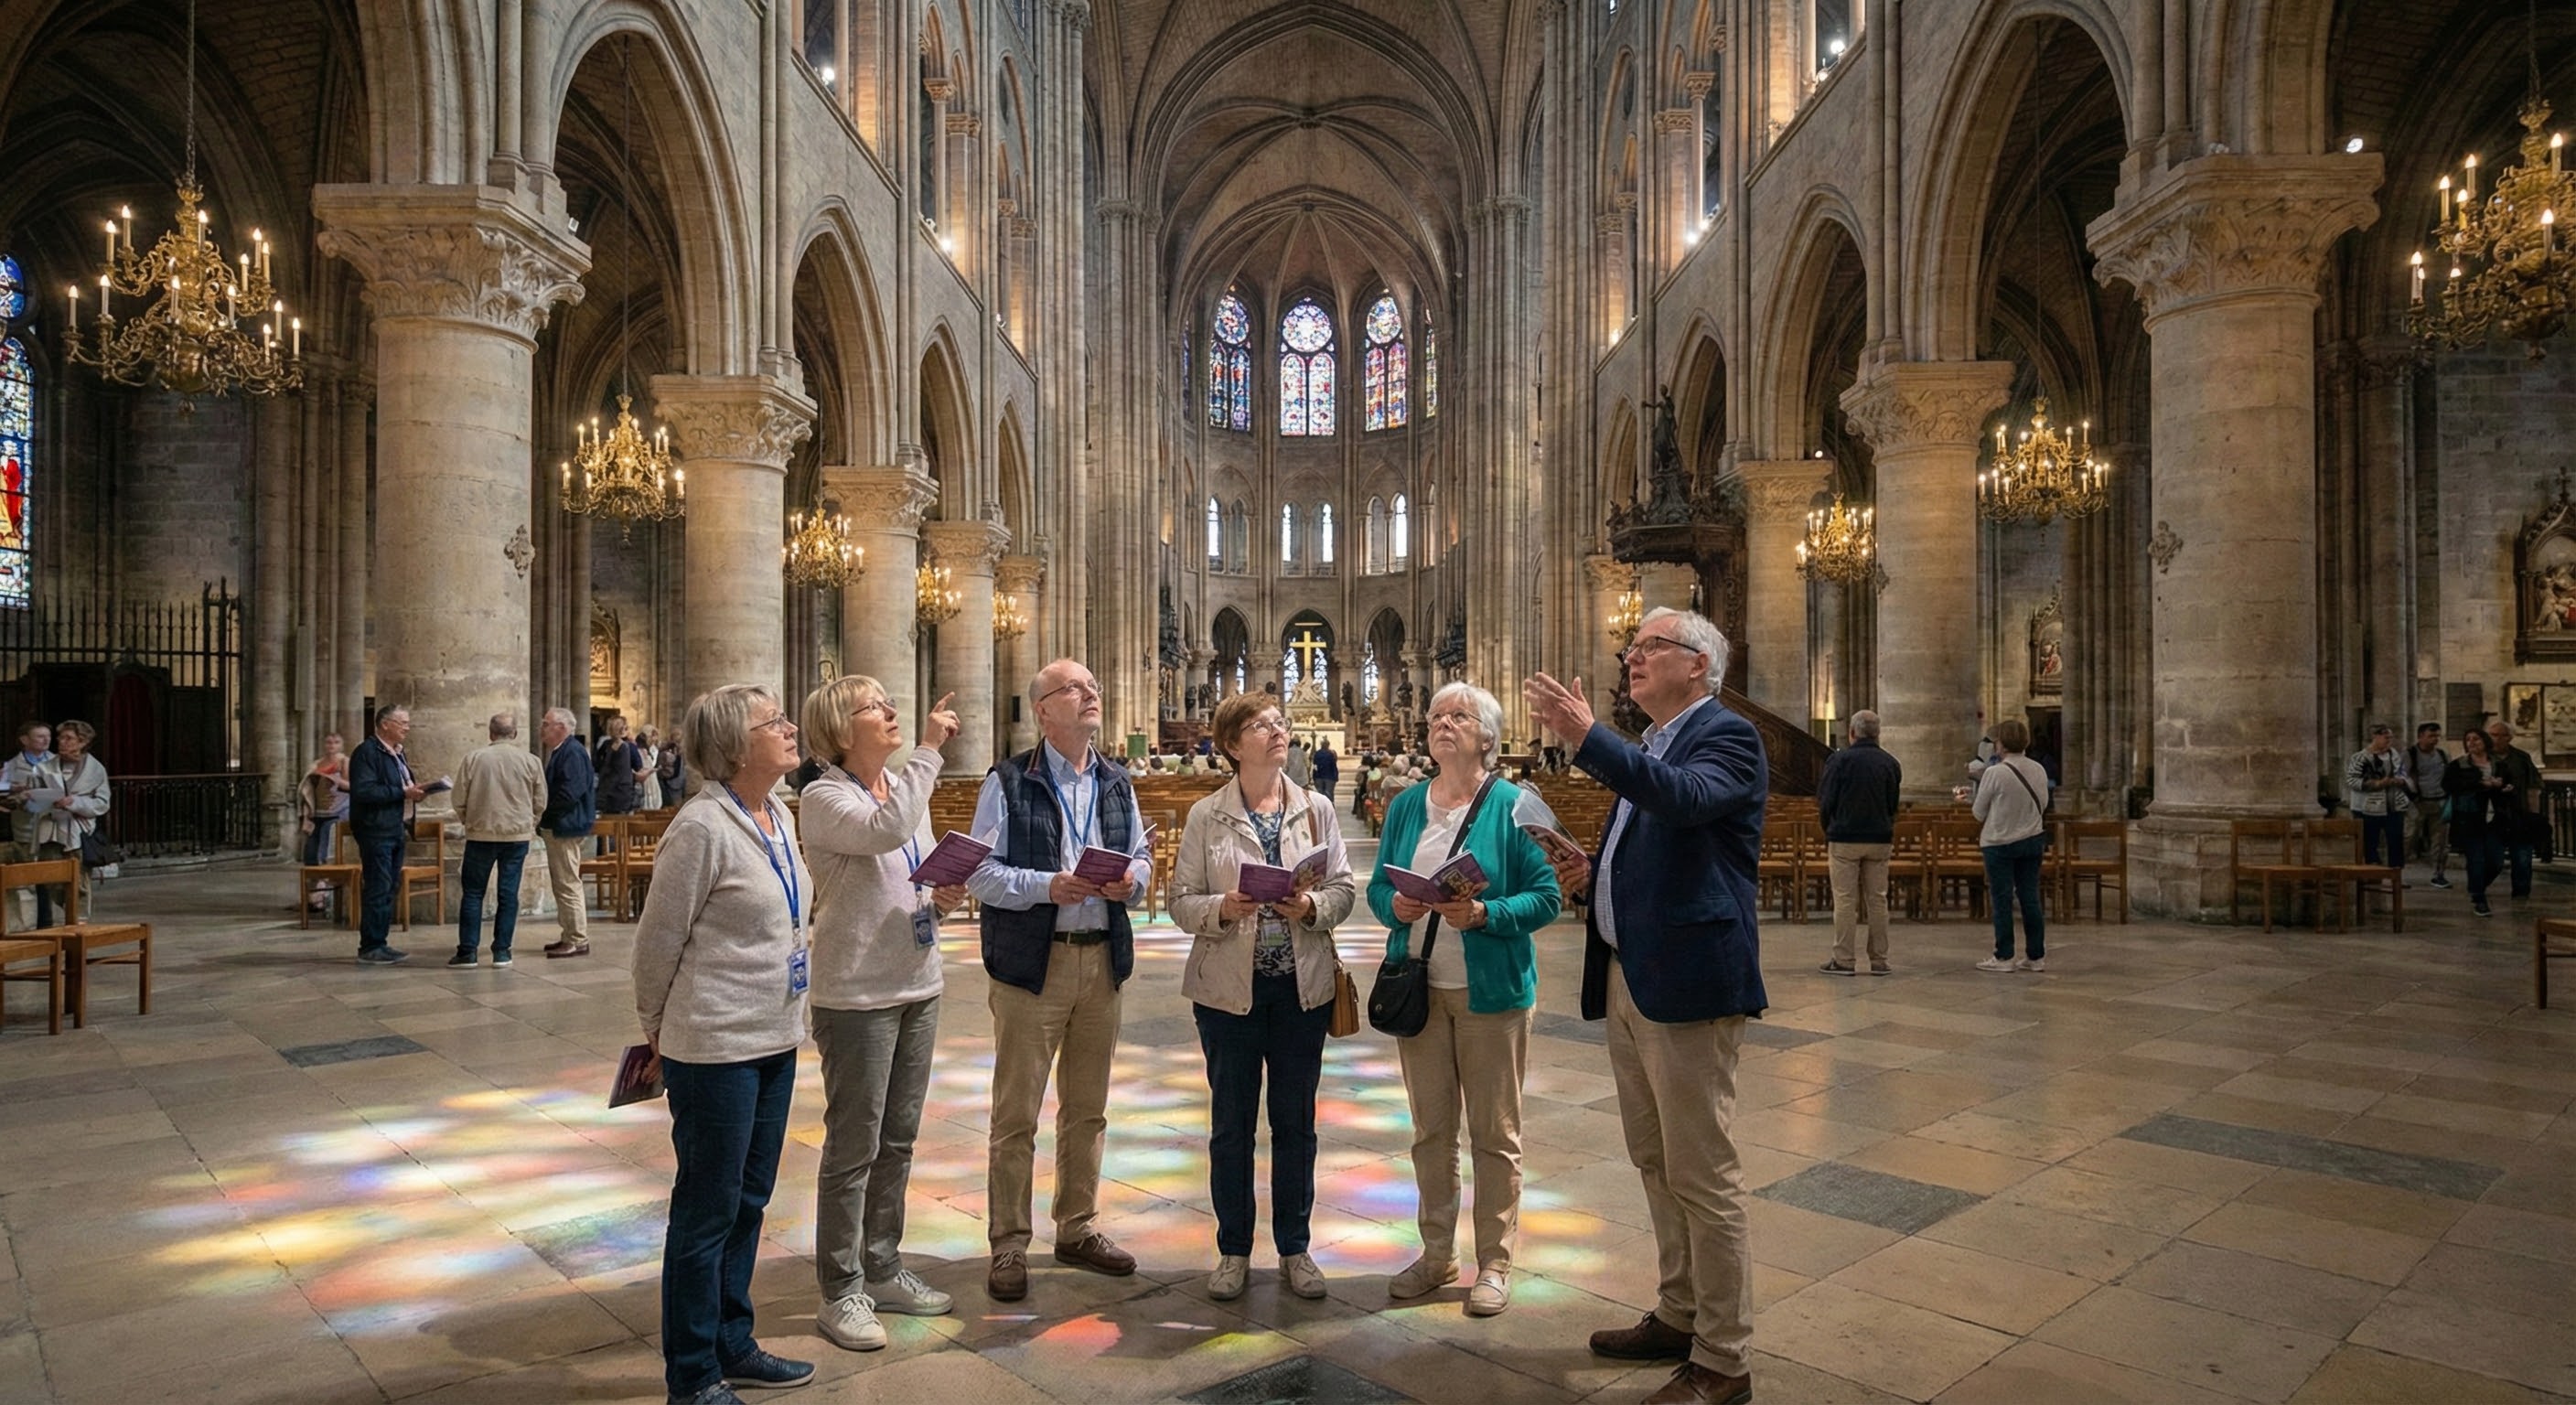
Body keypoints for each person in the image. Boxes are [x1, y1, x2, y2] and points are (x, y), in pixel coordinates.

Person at [1526, 607, 1766, 1405]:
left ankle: (1724, 1360)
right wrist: (1594, 871)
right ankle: (1680, 1310)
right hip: (1636, 976)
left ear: (1698, 665)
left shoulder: (1726, 736)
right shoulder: (1659, 743)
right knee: (1656, 1159)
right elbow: (1665, 841)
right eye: (1634, 646)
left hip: (1690, 983)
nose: (1632, 654)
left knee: (1704, 1172)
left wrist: (1591, 736)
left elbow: (1686, 803)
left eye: (1650, 646)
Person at [631, 685, 817, 1405]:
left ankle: (733, 1342)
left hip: (774, 1035)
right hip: (712, 1045)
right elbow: (658, 941)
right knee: (707, 1207)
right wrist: (656, 1028)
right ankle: (693, 1374)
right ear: (734, 748)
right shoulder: (702, 827)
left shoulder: (780, 814)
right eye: (773, 723)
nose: (790, 727)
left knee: (749, 1199)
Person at [1369, 682, 1562, 1317]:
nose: (1443, 724)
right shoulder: (1404, 806)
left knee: (1494, 1134)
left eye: (1459, 716)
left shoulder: (1517, 805)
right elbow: (1378, 888)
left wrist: (1483, 914)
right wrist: (1392, 906)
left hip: (1492, 994)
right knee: (1431, 1132)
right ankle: (1436, 1253)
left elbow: (1548, 896)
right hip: (1419, 989)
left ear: (1487, 737)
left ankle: (1496, 1262)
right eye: (1436, 716)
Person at [967, 658, 1154, 1302]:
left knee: (1087, 1109)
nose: (1090, 692)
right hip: (1032, 966)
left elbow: (1145, 858)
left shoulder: (1117, 781)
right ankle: (1009, 1244)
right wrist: (1048, 886)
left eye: (1092, 684)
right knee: (1017, 1112)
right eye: (1075, 687)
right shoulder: (1009, 781)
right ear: (1044, 710)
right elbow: (980, 875)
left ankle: (1077, 1226)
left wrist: (1134, 881)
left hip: (1100, 958)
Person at [797, 677, 968, 1350]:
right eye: (875, 707)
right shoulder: (822, 796)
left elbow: (908, 867)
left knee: (897, 1140)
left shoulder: (897, 790)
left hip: (916, 982)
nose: (892, 712)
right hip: (857, 994)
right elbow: (884, 832)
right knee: (853, 1147)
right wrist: (927, 750)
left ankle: (883, 1264)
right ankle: (840, 1290)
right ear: (842, 731)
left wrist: (939, 900)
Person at [1170, 693, 1358, 1303]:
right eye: (1261, 725)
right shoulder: (1206, 815)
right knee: (1231, 1128)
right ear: (1231, 744)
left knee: (1295, 1125)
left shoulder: (1317, 807)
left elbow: (1344, 890)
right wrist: (1221, 908)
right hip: (1228, 991)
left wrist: (1311, 906)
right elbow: (1181, 901)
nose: (1277, 731)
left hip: (1300, 987)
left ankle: (1296, 1249)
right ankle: (1233, 1251)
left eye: (1280, 723)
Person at [449, 713, 546, 969]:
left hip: (480, 833)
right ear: (514, 734)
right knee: (508, 893)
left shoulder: (474, 758)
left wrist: (468, 820)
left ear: (490, 733)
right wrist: (530, 823)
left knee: (472, 893)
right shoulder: (530, 761)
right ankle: (502, 952)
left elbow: (458, 796)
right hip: (516, 836)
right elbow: (540, 800)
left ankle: (467, 952)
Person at [1815, 710, 1900, 977]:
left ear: (1852, 733)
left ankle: (1844, 960)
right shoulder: (1890, 763)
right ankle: (1879, 960)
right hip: (1879, 838)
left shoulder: (1839, 761)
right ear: (1878, 734)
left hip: (1845, 838)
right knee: (1878, 900)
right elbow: (1892, 804)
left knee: (1845, 900)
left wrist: (1828, 828)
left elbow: (1826, 800)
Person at [349, 704, 434, 966]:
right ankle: (371, 946)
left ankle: (380, 942)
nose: (407, 727)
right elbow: (364, 791)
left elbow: (398, 785)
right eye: (402, 722)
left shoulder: (397, 753)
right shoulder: (366, 752)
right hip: (376, 830)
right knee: (378, 886)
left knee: (389, 886)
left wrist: (414, 790)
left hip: (395, 827)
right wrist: (402, 792)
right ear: (385, 724)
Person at [1971, 718, 2049, 973]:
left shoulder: (1995, 772)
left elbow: (1978, 812)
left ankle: (2004, 956)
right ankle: (2036, 956)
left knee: (2002, 899)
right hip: (2032, 839)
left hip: (1999, 843)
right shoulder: (2038, 769)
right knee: (2030, 898)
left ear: (2001, 744)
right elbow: (2045, 803)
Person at [36, 720, 112, 926]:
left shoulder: (95, 769)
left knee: (79, 879)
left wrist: (75, 802)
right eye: (60, 738)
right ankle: (69, 909)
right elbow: (32, 796)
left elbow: (103, 803)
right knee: (49, 874)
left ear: (82, 742)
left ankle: (79, 921)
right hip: (51, 829)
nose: (62, 742)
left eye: (68, 738)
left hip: (77, 831)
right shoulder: (45, 767)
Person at [538, 709, 598, 959]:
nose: (542, 728)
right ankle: (569, 934)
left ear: (561, 727)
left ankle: (577, 939)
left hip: (565, 824)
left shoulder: (572, 752)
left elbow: (570, 792)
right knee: (562, 883)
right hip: (561, 824)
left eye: (546, 724)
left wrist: (544, 811)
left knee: (568, 883)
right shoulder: (564, 750)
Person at [2447, 727, 2512, 917]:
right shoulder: (2459, 765)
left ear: (2485, 741)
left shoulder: (2498, 764)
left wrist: (2505, 787)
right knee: (2476, 859)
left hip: (2494, 817)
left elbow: (2509, 783)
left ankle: (2477, 885)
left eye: (2476, 739)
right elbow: (2449, 785)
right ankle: (2479, 898)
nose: (2472, 743)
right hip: (2470, 816)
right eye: (2468, 740)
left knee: (2496, 861)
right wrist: (2479, 785)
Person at [1, 722, 52, 928]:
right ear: (25, 740)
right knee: (27, 876)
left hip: (49, 827)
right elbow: (2, 789)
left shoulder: (56, 762)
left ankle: (46, 921)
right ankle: (26, 923)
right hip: (25, 827)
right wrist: (13, 788)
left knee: (48, 876)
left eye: (48, 736)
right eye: (40, 736)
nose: (46, 740)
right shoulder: (11, 765)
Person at [2486, 718, 2543, 898]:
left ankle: (2521, 894)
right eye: (2492, 735)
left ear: (2509, 738)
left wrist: (2533, 816)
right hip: (2493, 815)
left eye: (2500, 736)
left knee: (2522, 857)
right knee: (2494, 859)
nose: (2495, 739)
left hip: (2519, 814)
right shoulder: (2483, 758)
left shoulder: (2521, 758)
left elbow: (2533, 787)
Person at [2343, 724, 2411, 871]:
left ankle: (2396, 873)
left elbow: (2402, 772)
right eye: (2386, 737)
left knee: (2395, 841)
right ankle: (2372, 873)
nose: (2389, 741)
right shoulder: (2360, 757)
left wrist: (2400, 780)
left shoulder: (2394, 754)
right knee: (2370, 842)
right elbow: (2352, 780)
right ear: (2375, 737)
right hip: (2367, 807)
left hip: (2393, 805)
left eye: (2391, 738)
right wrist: (2377, 783)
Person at [299, 734, 352, 910]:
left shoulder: (345, 762)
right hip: (318, 814)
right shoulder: (317, 764)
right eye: (328, 742)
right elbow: (306, 788)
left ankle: (325, 898)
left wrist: (335, 780)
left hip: (337, 813)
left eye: (336, 742)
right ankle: (313, 897)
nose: (332, 745)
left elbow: (352, 786)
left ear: (341, 745)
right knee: (311, 854)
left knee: (326, 853)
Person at [2407, 722, 2451, 889]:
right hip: (2417, 803)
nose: (2435, 740)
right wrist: (2412, 796)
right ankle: (2399, 871)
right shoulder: (2410, 754)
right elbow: (2404, 778)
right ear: (2420, 736)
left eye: (2437, 736)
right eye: (2431, 736)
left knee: (2440, 841)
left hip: (2439, 801)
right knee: (2408, 837)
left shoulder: (2442, 754)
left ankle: (2438, 874)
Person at [596, 715, 647, 820]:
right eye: (615, 726)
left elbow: (638, 767)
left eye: (622, 726)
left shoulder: (628, 747)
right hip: (605, 791)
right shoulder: (606, 745)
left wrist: (632, 775)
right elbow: (597, 764)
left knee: (619, 826)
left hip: (620, 792)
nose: (619, 729)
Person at [639, 727, 666, 810]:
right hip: (646, 777)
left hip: (652, 777)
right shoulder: (642, 750)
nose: (654, 740)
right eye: (652, 737)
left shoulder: (654, 749)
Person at [1312, 738, 1339, 805]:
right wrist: (1336, 776)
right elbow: (1334, 765)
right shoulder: (1331, 754)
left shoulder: (1317, 754)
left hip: (1319, 776)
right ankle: (1330, 810)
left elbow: (1315, 766)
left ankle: (1321, 809)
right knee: (1329, 795)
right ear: (1328, 745)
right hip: (1329, 776)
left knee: (1320, 794)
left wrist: (1314, 775)